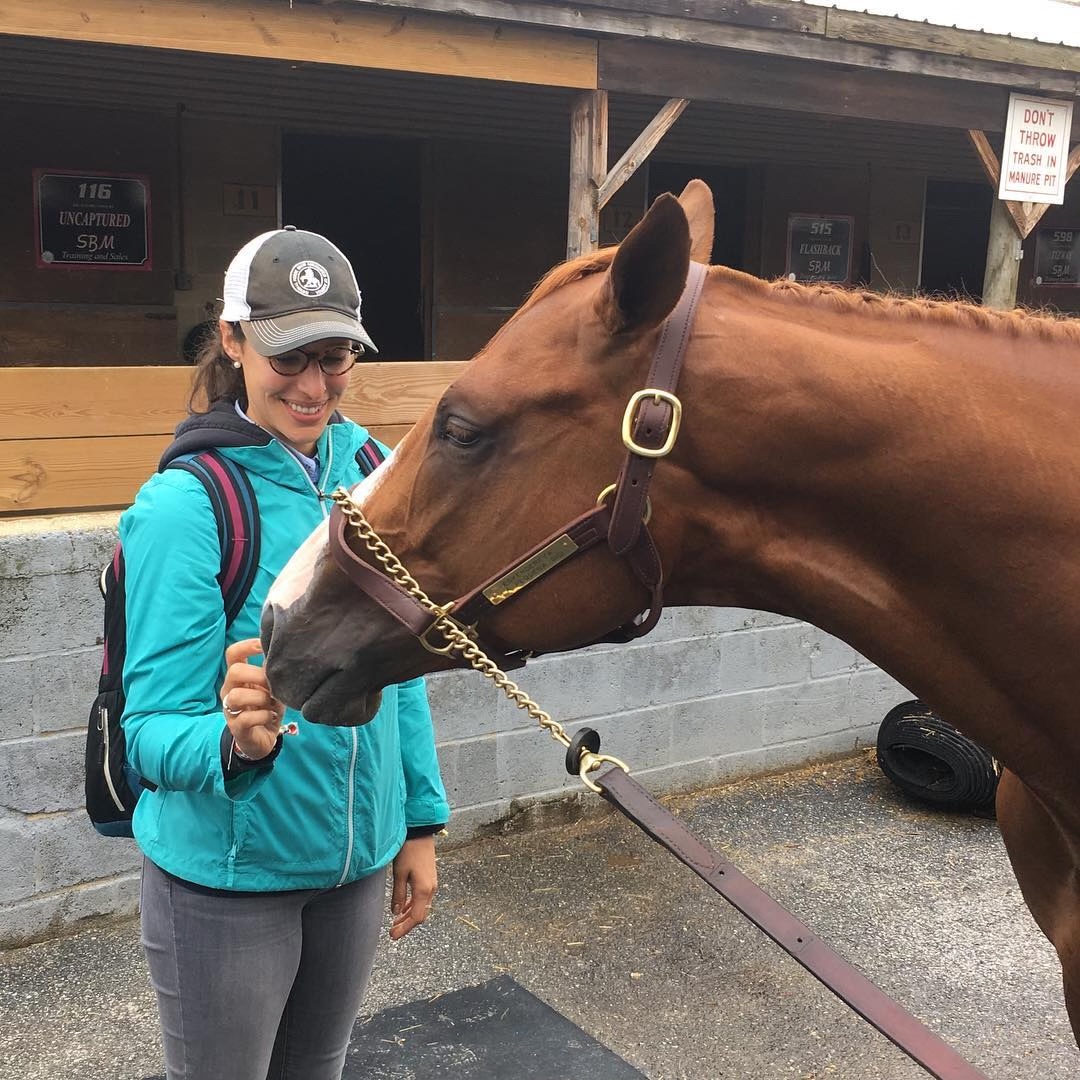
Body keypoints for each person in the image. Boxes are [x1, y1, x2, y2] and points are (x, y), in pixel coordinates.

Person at [119, 226, 450, 1080]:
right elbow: (147, 730)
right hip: (225, 886)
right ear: (232, 340)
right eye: (288, 356)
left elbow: (398, 667)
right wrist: (235, 742)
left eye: (334, 356)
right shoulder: (184, 508)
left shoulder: (374, 468)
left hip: (353, 870)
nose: (313, 385)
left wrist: (418, 821)